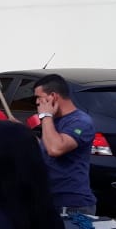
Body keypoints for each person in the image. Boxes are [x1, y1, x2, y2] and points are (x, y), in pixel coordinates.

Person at [34, 73, 98, 214]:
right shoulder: (52, 121)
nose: (37, 103)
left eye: (39, 97)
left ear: (53, 96)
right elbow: (46, 148)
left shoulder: (81, 121)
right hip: (48, 200)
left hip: (72, 206)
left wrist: (45, 115)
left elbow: (55, 149)